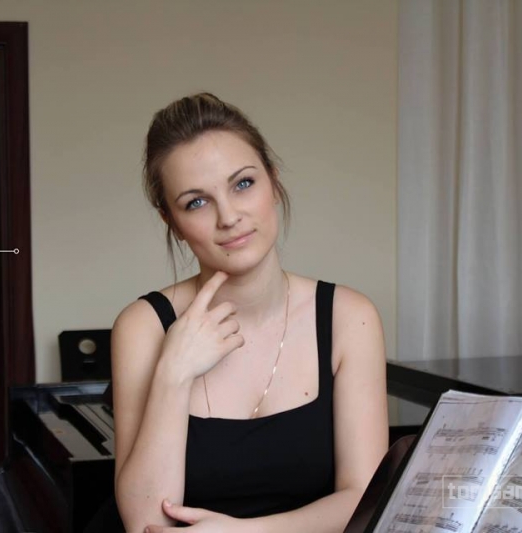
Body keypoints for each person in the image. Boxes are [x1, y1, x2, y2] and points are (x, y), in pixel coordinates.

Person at [110, 93, 388, 533]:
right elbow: (145, 522)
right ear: (171, 222)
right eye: (196, 202)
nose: (229, 217)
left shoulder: (350, 318)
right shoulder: (142, 326)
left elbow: (364, 500)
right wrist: (173, 373)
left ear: (273, 183)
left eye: (242, 184)